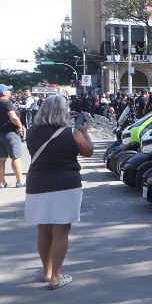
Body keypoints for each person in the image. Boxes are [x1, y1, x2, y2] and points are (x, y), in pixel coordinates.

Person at [24, 95, 94, 289]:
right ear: (64, 112)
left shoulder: (31, 131)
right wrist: (84, 131)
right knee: (61, 232)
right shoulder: (72, 132)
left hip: (37, 184)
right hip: (66, 184)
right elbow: (89, 151)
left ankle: (46, 272)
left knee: (44, 230)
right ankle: (56, 277)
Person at [0, 84, 26, 188]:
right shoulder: (7, 102)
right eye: (8, 90)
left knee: (1, 158)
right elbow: (13, 116)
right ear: (4, 92)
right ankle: (20, 180)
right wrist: (20, 126)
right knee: (16, 157)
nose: (10, 91)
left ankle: (1, 182)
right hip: (10, 133)